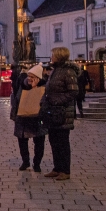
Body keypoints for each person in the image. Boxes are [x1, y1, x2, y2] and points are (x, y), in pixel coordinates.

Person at [41, 47, 79, 181]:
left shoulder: (68, 71)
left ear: (59, 56)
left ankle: (65, 170)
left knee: (62, 142)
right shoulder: (55, 71)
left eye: (53, 55)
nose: (51, 57)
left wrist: (58, 101)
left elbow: (73, 92)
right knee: (54, 141)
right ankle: (57, 168)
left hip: (63, 113)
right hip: (53, 112)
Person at [10, 64, 47, 172]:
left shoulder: (44, 86)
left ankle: (37, 163)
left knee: (39, 141)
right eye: (29, 76)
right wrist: (14, 115)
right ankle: (25, 161)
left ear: (39, 77)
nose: (29, 78)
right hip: (22, 117)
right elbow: (16, 100)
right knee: (22, 140)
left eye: (32, 76)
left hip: (38, 117)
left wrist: (37, 87)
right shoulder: (22, 84)